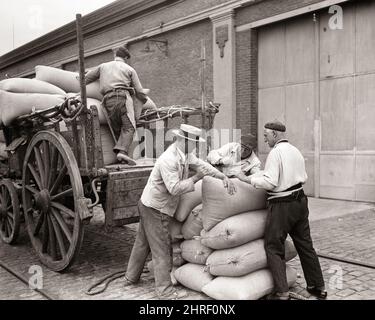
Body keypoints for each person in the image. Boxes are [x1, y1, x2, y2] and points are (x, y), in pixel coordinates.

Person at [124, 124, 236, 299]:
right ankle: (165, 291)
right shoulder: (169, 159)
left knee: (142, 242)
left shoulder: (185, 154)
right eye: (193, 142)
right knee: (161, 248)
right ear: (183, 141)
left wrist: (222, 176)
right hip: (156, 208)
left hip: (148, 203)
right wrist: (196, 177)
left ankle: (131, 277)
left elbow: (203, 165)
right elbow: (174, 188)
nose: (196, 146)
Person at [236, 120, 326, 300]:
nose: (264, 139)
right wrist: (257, 175)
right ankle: (318, 285)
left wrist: (246, 179)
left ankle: (282, 292)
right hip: (300, 200)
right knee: (305, 244)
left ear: (275, 135)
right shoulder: (295, 151)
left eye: (266, 135)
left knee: (273, 246)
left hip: (282, 205)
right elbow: (299, 176)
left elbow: (270, 182)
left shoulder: (276, 153)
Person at [84, 45, 156, 165]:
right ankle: (122, 152)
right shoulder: (129, 69)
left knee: (117, 128)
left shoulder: (103, 66)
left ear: (115, 56)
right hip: (122, 98)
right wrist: (143, 99)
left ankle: (122, 156)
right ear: (126, 58)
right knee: (130, 127)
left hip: (106, 101)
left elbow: (85, 79)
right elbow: (139, 91)